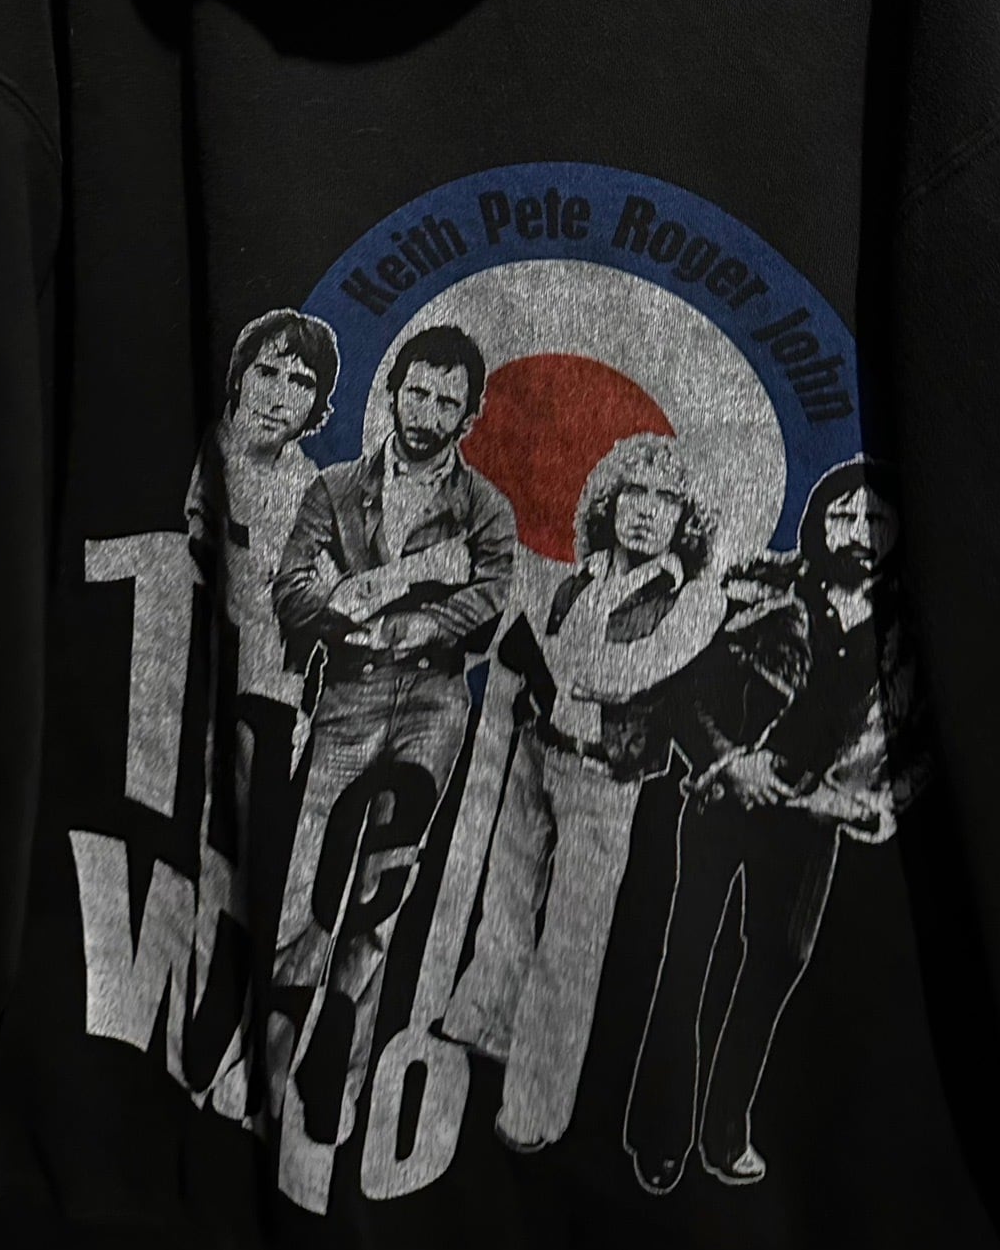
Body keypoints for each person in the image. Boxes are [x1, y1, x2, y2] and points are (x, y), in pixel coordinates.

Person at [625, 465, 924, 1192]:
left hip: (815, 816)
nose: (859, 532)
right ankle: (660, 1132)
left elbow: (913, 739)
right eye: (845, 515)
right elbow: (681, 682)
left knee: (775, 966)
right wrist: (730, 761)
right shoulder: (757, 586)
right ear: (818, 519)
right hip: (726, 795)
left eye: (876, 520)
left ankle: (725, 1133)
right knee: (688, 955)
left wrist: (850, 798)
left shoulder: (909, 626)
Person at [267, 323, 516, 1155]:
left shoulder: (485, 507)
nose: (428, 410)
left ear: (470, 414)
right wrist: (376, 596)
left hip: (434, 700)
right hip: (347, 693)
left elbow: (488, 597)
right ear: (392, 389)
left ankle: (334, 1071)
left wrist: (406, 623)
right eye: (418, 390)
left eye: (448, 399)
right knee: (309, 875)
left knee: (382, 884)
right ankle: (272, 1053)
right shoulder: (335, 487)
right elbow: (293, 590)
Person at [441, 433, 726, 1151]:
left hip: (605, 775)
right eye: (634, 493)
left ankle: (534, 1110)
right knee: (506, 898)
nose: (646, 511)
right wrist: (546, 668)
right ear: (610, 503)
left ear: (685, 521)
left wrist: (553, 659)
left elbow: (620, 676)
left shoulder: (695, 599)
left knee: (572, 939)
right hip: (537, 748)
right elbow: (531, 659)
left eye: (665, 500)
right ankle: (485, 1026)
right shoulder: (578, 578)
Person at [182, 309, 341, 1118]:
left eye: (301, 381)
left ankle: (226, 1019)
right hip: (171, 678)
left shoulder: (312, 491)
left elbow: (314, 609)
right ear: (239, 374)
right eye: (269, 372)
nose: (281, 394)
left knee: (255, 863)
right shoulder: (193, 446)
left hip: (265, 698)